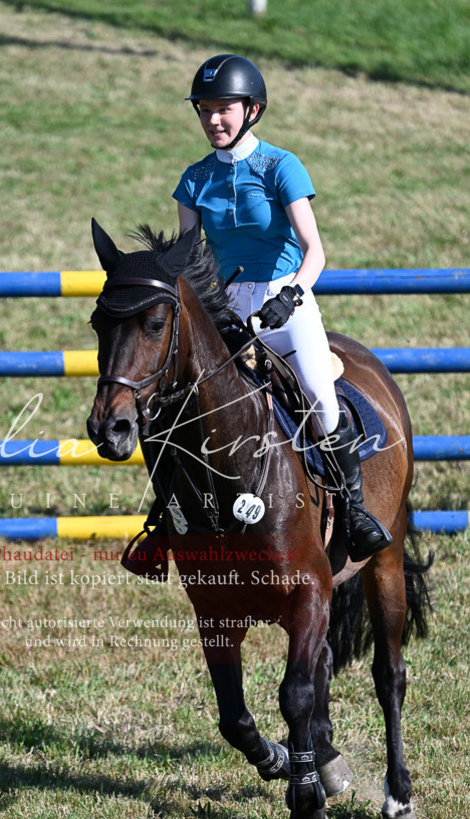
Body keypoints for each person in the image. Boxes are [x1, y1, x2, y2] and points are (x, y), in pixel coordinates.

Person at [171, 53, 392, 562]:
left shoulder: (280, 165)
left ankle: (355, 512)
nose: (212, 120)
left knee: (319, 395)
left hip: (286, 304)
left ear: (252, 110)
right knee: (179, 406)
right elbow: (190, 256)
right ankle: (166, 519)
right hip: (225, 312)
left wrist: (291, 296)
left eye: (223, 109)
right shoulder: (193, 180)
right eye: (204, 110)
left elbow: (315, 249)